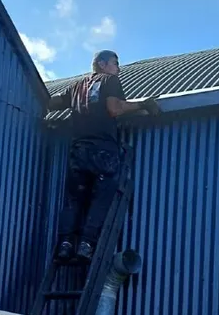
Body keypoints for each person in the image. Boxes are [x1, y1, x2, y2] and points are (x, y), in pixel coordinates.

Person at [47, 49, 161, 261]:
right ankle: (86, 245)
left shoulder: (76, 87)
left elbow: (52, 103)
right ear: (101, 64)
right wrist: (143, 104)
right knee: (101, 198)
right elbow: (114, 109)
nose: (118, 68)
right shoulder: (109, 81)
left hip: (78, 151)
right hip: (102, 150)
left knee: (74, 201)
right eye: (115, 63)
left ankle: (64, 245)